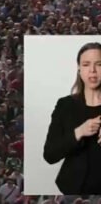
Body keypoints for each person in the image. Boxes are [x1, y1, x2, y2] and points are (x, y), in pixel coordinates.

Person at [43, 42, 101, 194]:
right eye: (86, 64)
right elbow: (50, 155)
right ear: (79, 69)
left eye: (99, 64)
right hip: (73, 190)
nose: (93, 71)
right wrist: (79, 132)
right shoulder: (65, 105)